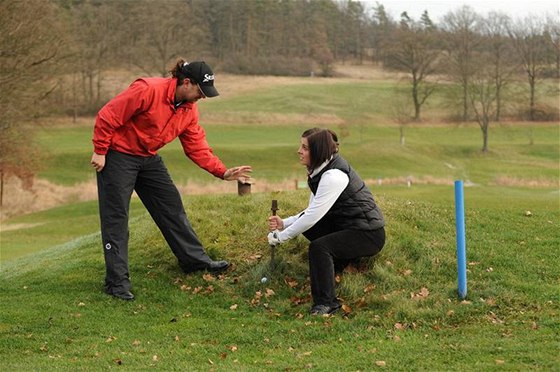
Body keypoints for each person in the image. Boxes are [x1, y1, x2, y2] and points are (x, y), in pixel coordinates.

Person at [91, 59, 252, 301]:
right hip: (118, 156)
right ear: (186, 82)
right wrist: (101, 150)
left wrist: (222, 172)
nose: (202, 97)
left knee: (171, 208)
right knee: (116, 219)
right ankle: (116, 283)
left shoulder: (188, 109)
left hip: (147, 157)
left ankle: (194, 262)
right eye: (200, 91)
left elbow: (196, 146)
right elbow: (108, 115)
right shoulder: (147, 90)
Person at [267, 128, 385, 315]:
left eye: (304, 148)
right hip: (348, 226)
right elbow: (311, 212)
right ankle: (338, 265)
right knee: (309, 229)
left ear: (318, 151)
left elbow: (312, 216)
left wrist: (282, 237)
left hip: (368, 233)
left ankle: (327, 303)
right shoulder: (320, 170)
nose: (299, 151)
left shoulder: (333, 176)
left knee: (320, 247)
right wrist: (284, 223)